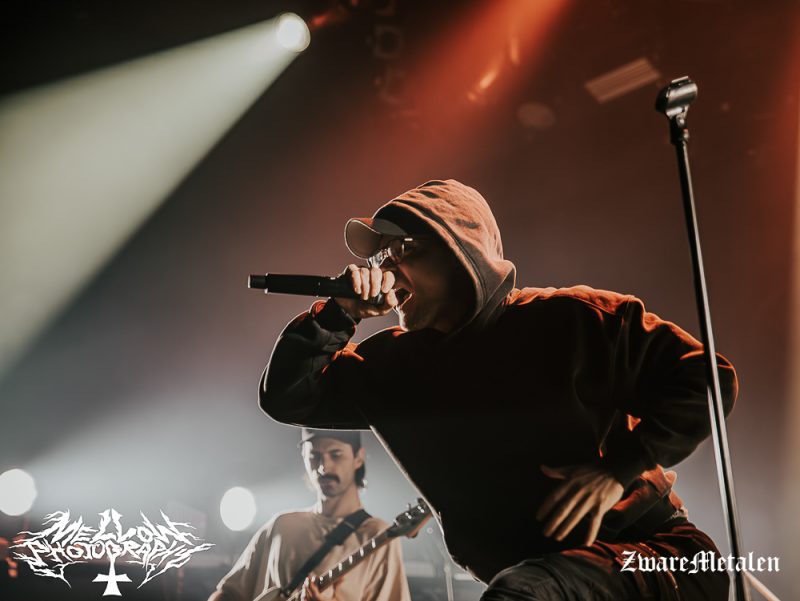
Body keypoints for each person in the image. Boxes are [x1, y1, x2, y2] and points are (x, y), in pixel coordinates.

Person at [260, 179, 739, 600]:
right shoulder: (390, 367)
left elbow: (707, 376)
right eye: (379, 256)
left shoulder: (569, 319)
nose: (386, 269)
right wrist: (338, 315)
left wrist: (619, 469)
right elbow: (286, 396)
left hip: (657, 556)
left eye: (402, 249)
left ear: (458, 251)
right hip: (534, 580)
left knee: (524, 591)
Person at [209, 429, 411, 601]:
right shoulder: (281, 526)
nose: (324, 467)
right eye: (314, 456)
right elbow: (226, 594)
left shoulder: (379, 536)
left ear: (358, 457)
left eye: (336, 455)